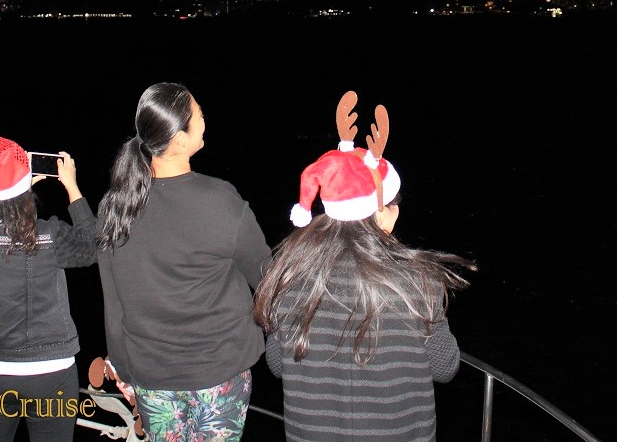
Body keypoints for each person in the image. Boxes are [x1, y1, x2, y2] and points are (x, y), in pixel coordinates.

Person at [253, 91, 477, 442]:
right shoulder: (419, 283)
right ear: (381, 212)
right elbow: (445, 367)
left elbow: (278, 365)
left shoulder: (290, 278)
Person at [96, 82, 271, 442]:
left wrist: (123, 370)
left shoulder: (114, 208)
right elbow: (268, 277)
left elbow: (114, 305)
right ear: (178, 140)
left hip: (151, 377)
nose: (206, 120)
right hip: (220, 374)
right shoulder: (220, 200)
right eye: (200, 114)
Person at [0, 136, 99, 442]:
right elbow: (92, 246)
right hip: (50, 375)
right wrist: (72, 187)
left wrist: (15, 189)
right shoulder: (49, 235)